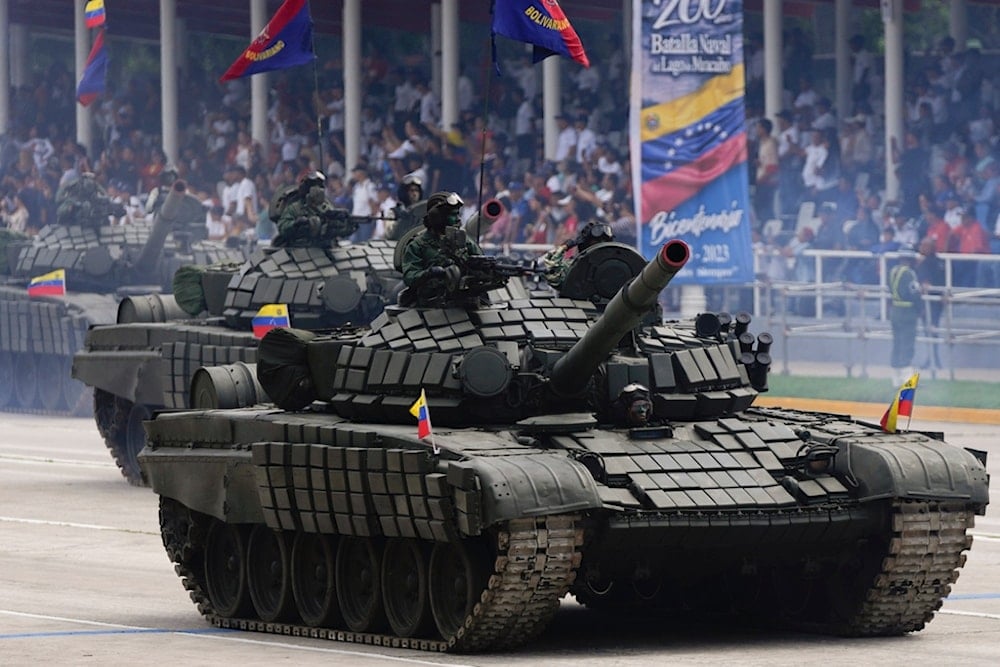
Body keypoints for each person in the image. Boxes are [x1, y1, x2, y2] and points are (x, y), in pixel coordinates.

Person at [401, 191, 482, 306]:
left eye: (458, 214)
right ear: (437, 217)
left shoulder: (465, 241)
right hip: (431, 306)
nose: (458, 219)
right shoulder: (418, 245)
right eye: (453, 215)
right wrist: (429, 273)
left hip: (463, 304)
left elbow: (480, 263)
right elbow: (410, 277)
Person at [271, 171, 355, 248]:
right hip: (301, 250)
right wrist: (297, 224)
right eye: (315, 187)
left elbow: (336, 229)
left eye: (320, 187)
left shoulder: (326, 207)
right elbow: (283, 227)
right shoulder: (295, 208)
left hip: (326, 249)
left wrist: (346, 224)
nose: (319, 190)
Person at [541, 219, 614, 289]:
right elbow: (552, 272)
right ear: (586, 245)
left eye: (604, 242)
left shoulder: (615, 264)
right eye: (596, 243)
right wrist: (565, 246)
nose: (601, 247)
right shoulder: (575, 266)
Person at [888, 247, 922, 386]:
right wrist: (920, 308)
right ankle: (907, 379)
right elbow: (914, 293)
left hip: (895, 310)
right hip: (907, 312)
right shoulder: (909, 274)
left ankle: (895, 379)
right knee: (907, 344)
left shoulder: (893, 271)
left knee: (897, 344)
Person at [55, 172, 126, 228]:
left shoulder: (98, 202)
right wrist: (73, 207)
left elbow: (120, 211)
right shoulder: (71, 202)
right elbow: (60, 214)